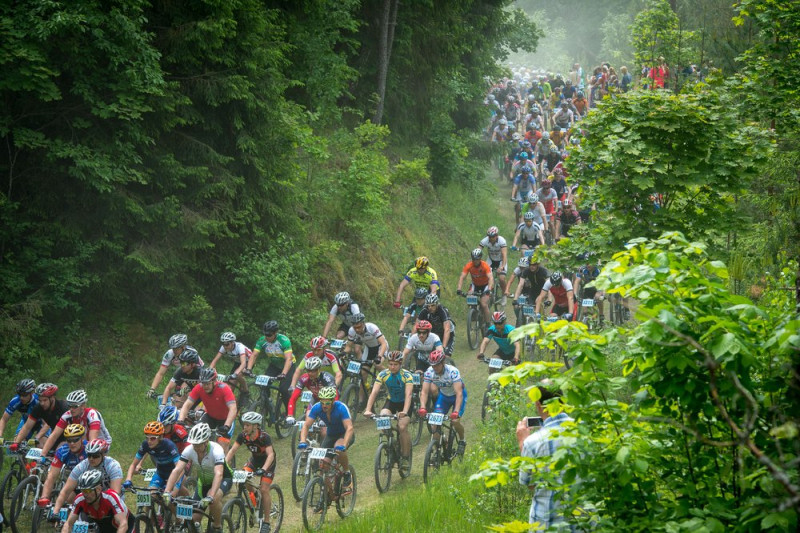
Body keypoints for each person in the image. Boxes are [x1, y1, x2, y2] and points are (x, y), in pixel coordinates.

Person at [517, 382, 574, 530]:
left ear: (538, 404)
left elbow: (529, 483)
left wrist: (522, 442)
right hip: (584, 523)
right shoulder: (586, 431)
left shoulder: (533, 442)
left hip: (548, 523)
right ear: (563, 400)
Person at [164, 424, 233, 533]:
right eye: (194, 444)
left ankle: (217, 526)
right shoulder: (189, 450)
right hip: (204, 482)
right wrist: (167, 491)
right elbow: (177, 470)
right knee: (194, 520)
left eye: (198, 445)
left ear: (206, 441)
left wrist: (210, 496)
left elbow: (219, 473)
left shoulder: (216, 450)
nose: (195, 447)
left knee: (214, 499)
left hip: (223, 478)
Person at [225, 412, 276, 533]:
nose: (244, 428)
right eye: (244, 425)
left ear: (255, 426)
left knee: (264, 489)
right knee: (243, 478)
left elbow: (271, 455)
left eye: (247, 425)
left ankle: (267, 522)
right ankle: (256, 498)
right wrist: (224, 465)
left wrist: (263, 469)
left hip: (268, 463)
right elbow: (232, 451)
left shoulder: (264, 437)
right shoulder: (243, 435)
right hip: (254, 460)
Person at [363, 351, 413, 469]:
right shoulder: (383, 374)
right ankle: (393, 442)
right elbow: (374, 392)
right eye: (390, 364)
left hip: (405, 403)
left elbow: (409, 394)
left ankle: (405, 457)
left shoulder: (407, 375)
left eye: (395, 364)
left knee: (402, 427)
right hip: (391, 402)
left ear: (400, 364)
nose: (392, 367)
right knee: (382, 418)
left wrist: (405, 411)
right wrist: (368, 409)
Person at [297, 387, 355, 486]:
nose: (324, 405)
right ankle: (326, 494)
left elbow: (349, 428)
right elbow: (306, 425)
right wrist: (303, 441)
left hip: (344, 434)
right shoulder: (317, 407)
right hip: (331, 435)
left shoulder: (341, 407)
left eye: (327, 402)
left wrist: (344, 445)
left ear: (333, 401)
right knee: (323, 465)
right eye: (322, 402)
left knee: (338, 448)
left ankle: (346, 472)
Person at [53, 438, 123, 516]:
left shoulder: (113, 465)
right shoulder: (82, 466)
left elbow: (115, 492)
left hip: (110, 500)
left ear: (103, 455)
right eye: (89, 455)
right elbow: (65, 491)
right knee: (70, 497)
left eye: (95, 456)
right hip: (90, 498)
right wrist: (55, 511)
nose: (91, 459)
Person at [417, 348, 467, 455]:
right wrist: (422, 407)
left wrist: (456, 411)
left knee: (455, 421)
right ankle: (439, 446)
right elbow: (424, 392)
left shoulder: (453, 372)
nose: (434, 368)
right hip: (444, 397)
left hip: (457, 396)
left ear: (443, 363)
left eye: (437, 365)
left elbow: (459, 393)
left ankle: (462, 440)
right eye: (432, 365)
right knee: (434, 423)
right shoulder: (429, 372)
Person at [178, 367, 237, 453]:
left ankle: (225, 463)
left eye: (207, 384)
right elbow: (187, 405)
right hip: (210, 416)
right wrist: (180, 420)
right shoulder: (199, 387)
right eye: (203, 383)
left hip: (226, 419)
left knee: (222, 445)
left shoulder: (224, 388)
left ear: (214, 381)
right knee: (197, 434)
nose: (205, 386)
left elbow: (233, 408)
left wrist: (226, 426)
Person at [40, 390, 111, 458]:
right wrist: (43, 455)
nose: (71, 409)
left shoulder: (92, 414)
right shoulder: (67, 415)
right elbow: (54, 435)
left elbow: (93, 439)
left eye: (75, 406)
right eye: (69, 406)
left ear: (83, 406)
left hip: (101, 442)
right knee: (61, 448)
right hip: (82, 441)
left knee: (92, 461)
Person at [62, 470, 131, 533]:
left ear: (98, 489)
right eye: (82, 490)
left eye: (88, 490)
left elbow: (123, 524)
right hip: (102, 526)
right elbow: (68, 524)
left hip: (124, 527)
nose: (85, 494)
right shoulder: (80, 499)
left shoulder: (111, 498)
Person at [246, 320, 295, 410]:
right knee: (263, 383)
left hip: (288, 365)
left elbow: (288, 359)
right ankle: (266, 404)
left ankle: (289, 413)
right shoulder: (262, 340)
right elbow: (254, 355)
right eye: (265, 334)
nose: (267, 337)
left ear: (275, 333)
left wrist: (283, 374)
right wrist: (248, 369)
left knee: (284, 389)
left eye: (269, 335)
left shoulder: (284, 340)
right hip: (275, 365)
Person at [37, 424, 87, 509]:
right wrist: (44, 497)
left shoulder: (89, 448)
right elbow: (52, 476)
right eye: (69, 440)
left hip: (90, 482)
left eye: (75, 440)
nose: (72, 443)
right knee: (68, 501)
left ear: (82, 439)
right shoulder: (63, 451)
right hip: (74, 483)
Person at [123, 422, 181, 494]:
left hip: (174, 474)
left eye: (153, 438)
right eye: (147, 438)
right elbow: (133, 465)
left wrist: (171, 484)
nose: (149, 441)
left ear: (160, 437)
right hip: (160, 474)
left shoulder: (169, 445)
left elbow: (179, 469)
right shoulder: (145, 445)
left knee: (169, 499)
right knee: (151, 495)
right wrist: (128, 480)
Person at [147, 334, 202, 399]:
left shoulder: (191, 353)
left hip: (194, 375)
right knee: (176, 398)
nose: (174, 351)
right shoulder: (169, 354)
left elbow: (199, 374)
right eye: (173, 348)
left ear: (183, 347)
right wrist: (152, 389)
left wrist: (189, 387)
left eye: (176, 348)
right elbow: (160, 373)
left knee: (186, 392)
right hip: (181, 374)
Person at [12, 382, 66, 449]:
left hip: (69, 437)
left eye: (45, 400)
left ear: (52, 398)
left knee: (59, 451)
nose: (42, 403)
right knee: (41, 452)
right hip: (55, 437)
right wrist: (16, 443)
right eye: (40, 400)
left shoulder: (63, 407)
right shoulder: (39, 408)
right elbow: (27, 427)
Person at [285, 357, 336, 426]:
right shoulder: (304, 378)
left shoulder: (327, 378)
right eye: (308, 371)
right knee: (308, 417)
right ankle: (310, 436)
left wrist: (328, 415)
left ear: (319, 369)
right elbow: (293, 398)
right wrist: (290, 415)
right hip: (315, 398)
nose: (310, 373)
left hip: (328, 401)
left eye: (313, 371)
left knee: (324, 430)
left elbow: (335, 398)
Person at [209, 331, 252, 408]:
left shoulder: (240, 347)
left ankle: (246, 392)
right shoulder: (224, 347)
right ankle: (230, 403)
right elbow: (214, 361)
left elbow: (243, 364)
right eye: (223, 344)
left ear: (232, 342)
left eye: (227, 344)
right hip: (238, 362)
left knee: (237, 375)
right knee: (229, 386)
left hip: (248, 361)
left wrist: (235, 374)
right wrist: (209, 371)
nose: (225, 346)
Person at [456, 248, 495, 327]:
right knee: (469, 298)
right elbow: (462, 277)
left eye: (477, 259)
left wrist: (489, 289)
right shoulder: (469, 265)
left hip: (485, 285)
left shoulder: (485, 266)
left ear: (480, 259)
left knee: (483, 304)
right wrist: (459, 289)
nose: (475, 261)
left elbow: (490, 278)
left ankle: (488, 324)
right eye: (473, 259)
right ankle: (473, 313)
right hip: (475, 285)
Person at [480, 226, 509, 305]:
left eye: (493, 236)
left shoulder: (502, 241)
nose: (491, 238)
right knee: (485, 276)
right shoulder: (485, 240)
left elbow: (504, 254)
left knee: (501, 278)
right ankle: (487, 292)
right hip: (491, 260)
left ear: (497, 235)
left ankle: (504, 295)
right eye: (489, 236)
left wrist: (502, 266)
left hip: (501, 260)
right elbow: (478, 250)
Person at [574, 254, 604, 322]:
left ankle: (601, 315)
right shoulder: (582, 270)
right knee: (585, 312)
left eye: (590, 263)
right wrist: (575, 294)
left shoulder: (599, 270)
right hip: (587, 291)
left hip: (597, 288)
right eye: (586, 263)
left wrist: (602, 294)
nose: (588, 265)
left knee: (598, 297)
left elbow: (603, 284)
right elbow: (576, 282)